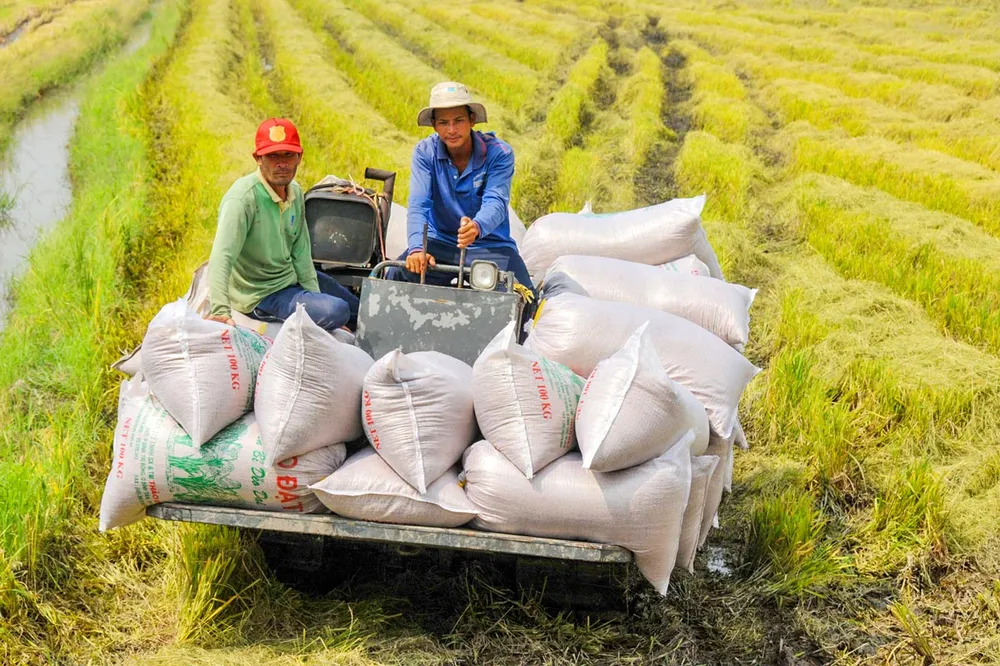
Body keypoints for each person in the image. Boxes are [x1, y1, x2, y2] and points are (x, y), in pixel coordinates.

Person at [206, 118, 359, 332]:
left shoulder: (294, 191)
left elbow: (301, 251)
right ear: (258, 158)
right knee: (338, 310)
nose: (282, 163)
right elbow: (222, 256)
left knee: (358, 309)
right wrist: (221, 310)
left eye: (288, 155)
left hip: (290, 279)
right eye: (273, 156)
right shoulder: (242, 200)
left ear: (300, 157)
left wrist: (316, 299)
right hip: (261, 294)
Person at [386, 82, 535, 297]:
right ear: (434, 125)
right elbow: (419, 204)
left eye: (459, 121)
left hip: (490, 244)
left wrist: (476, 226)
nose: (452, 130)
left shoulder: (498, 153)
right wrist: (418, 249)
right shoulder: (425, 152)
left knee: (524, 296)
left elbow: (496, 201)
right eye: (444, 123)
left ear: (472, 120)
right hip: (440, 243)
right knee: (394, 278)